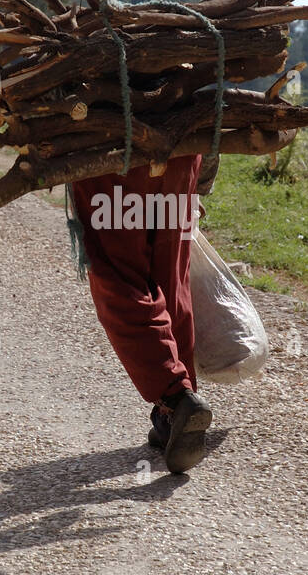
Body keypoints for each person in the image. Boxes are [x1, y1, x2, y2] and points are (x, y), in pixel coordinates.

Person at [68, 151, 220, 473]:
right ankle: (173, 415)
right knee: (171, 277)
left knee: (118, 276)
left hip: (111, 152)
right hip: (181, 151)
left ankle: (176, 397)